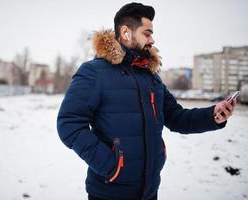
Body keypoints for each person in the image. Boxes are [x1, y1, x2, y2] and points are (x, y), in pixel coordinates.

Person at [57, 2, 237, 200]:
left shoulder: (149, 75)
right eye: (147, 33)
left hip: (149, 191)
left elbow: (176, 117)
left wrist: (213, 115)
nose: (152, 39)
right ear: (126, 32)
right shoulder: (94, 72)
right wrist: (111, 166)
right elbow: (69, 123)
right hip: (110, 193)